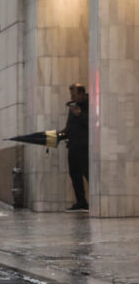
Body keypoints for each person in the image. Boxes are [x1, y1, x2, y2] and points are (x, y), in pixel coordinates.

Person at [61, 83, 89, 212]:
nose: (72, 98)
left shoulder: (91, 104)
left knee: (88, 173)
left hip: (85, 146)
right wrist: (58, 135)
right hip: (73, 146)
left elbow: (93, 121)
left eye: (74, 95)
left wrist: (80, 114)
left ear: (82, 94)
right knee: (74, 174)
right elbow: (69, 126)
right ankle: (81, 202)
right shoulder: (72, 107)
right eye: (71, 95)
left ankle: (96, 201)